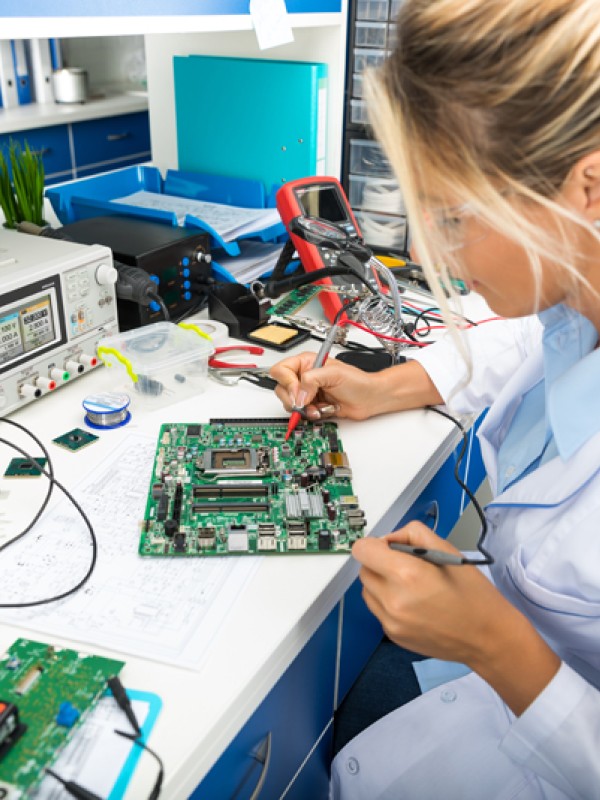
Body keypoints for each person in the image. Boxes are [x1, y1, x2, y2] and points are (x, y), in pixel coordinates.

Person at [269, 1, 600, 797]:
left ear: (588, 184)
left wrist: (498, 647)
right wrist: (385, 388)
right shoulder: (575, 301)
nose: (427, 255)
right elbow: (524, 340)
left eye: (451, 214)